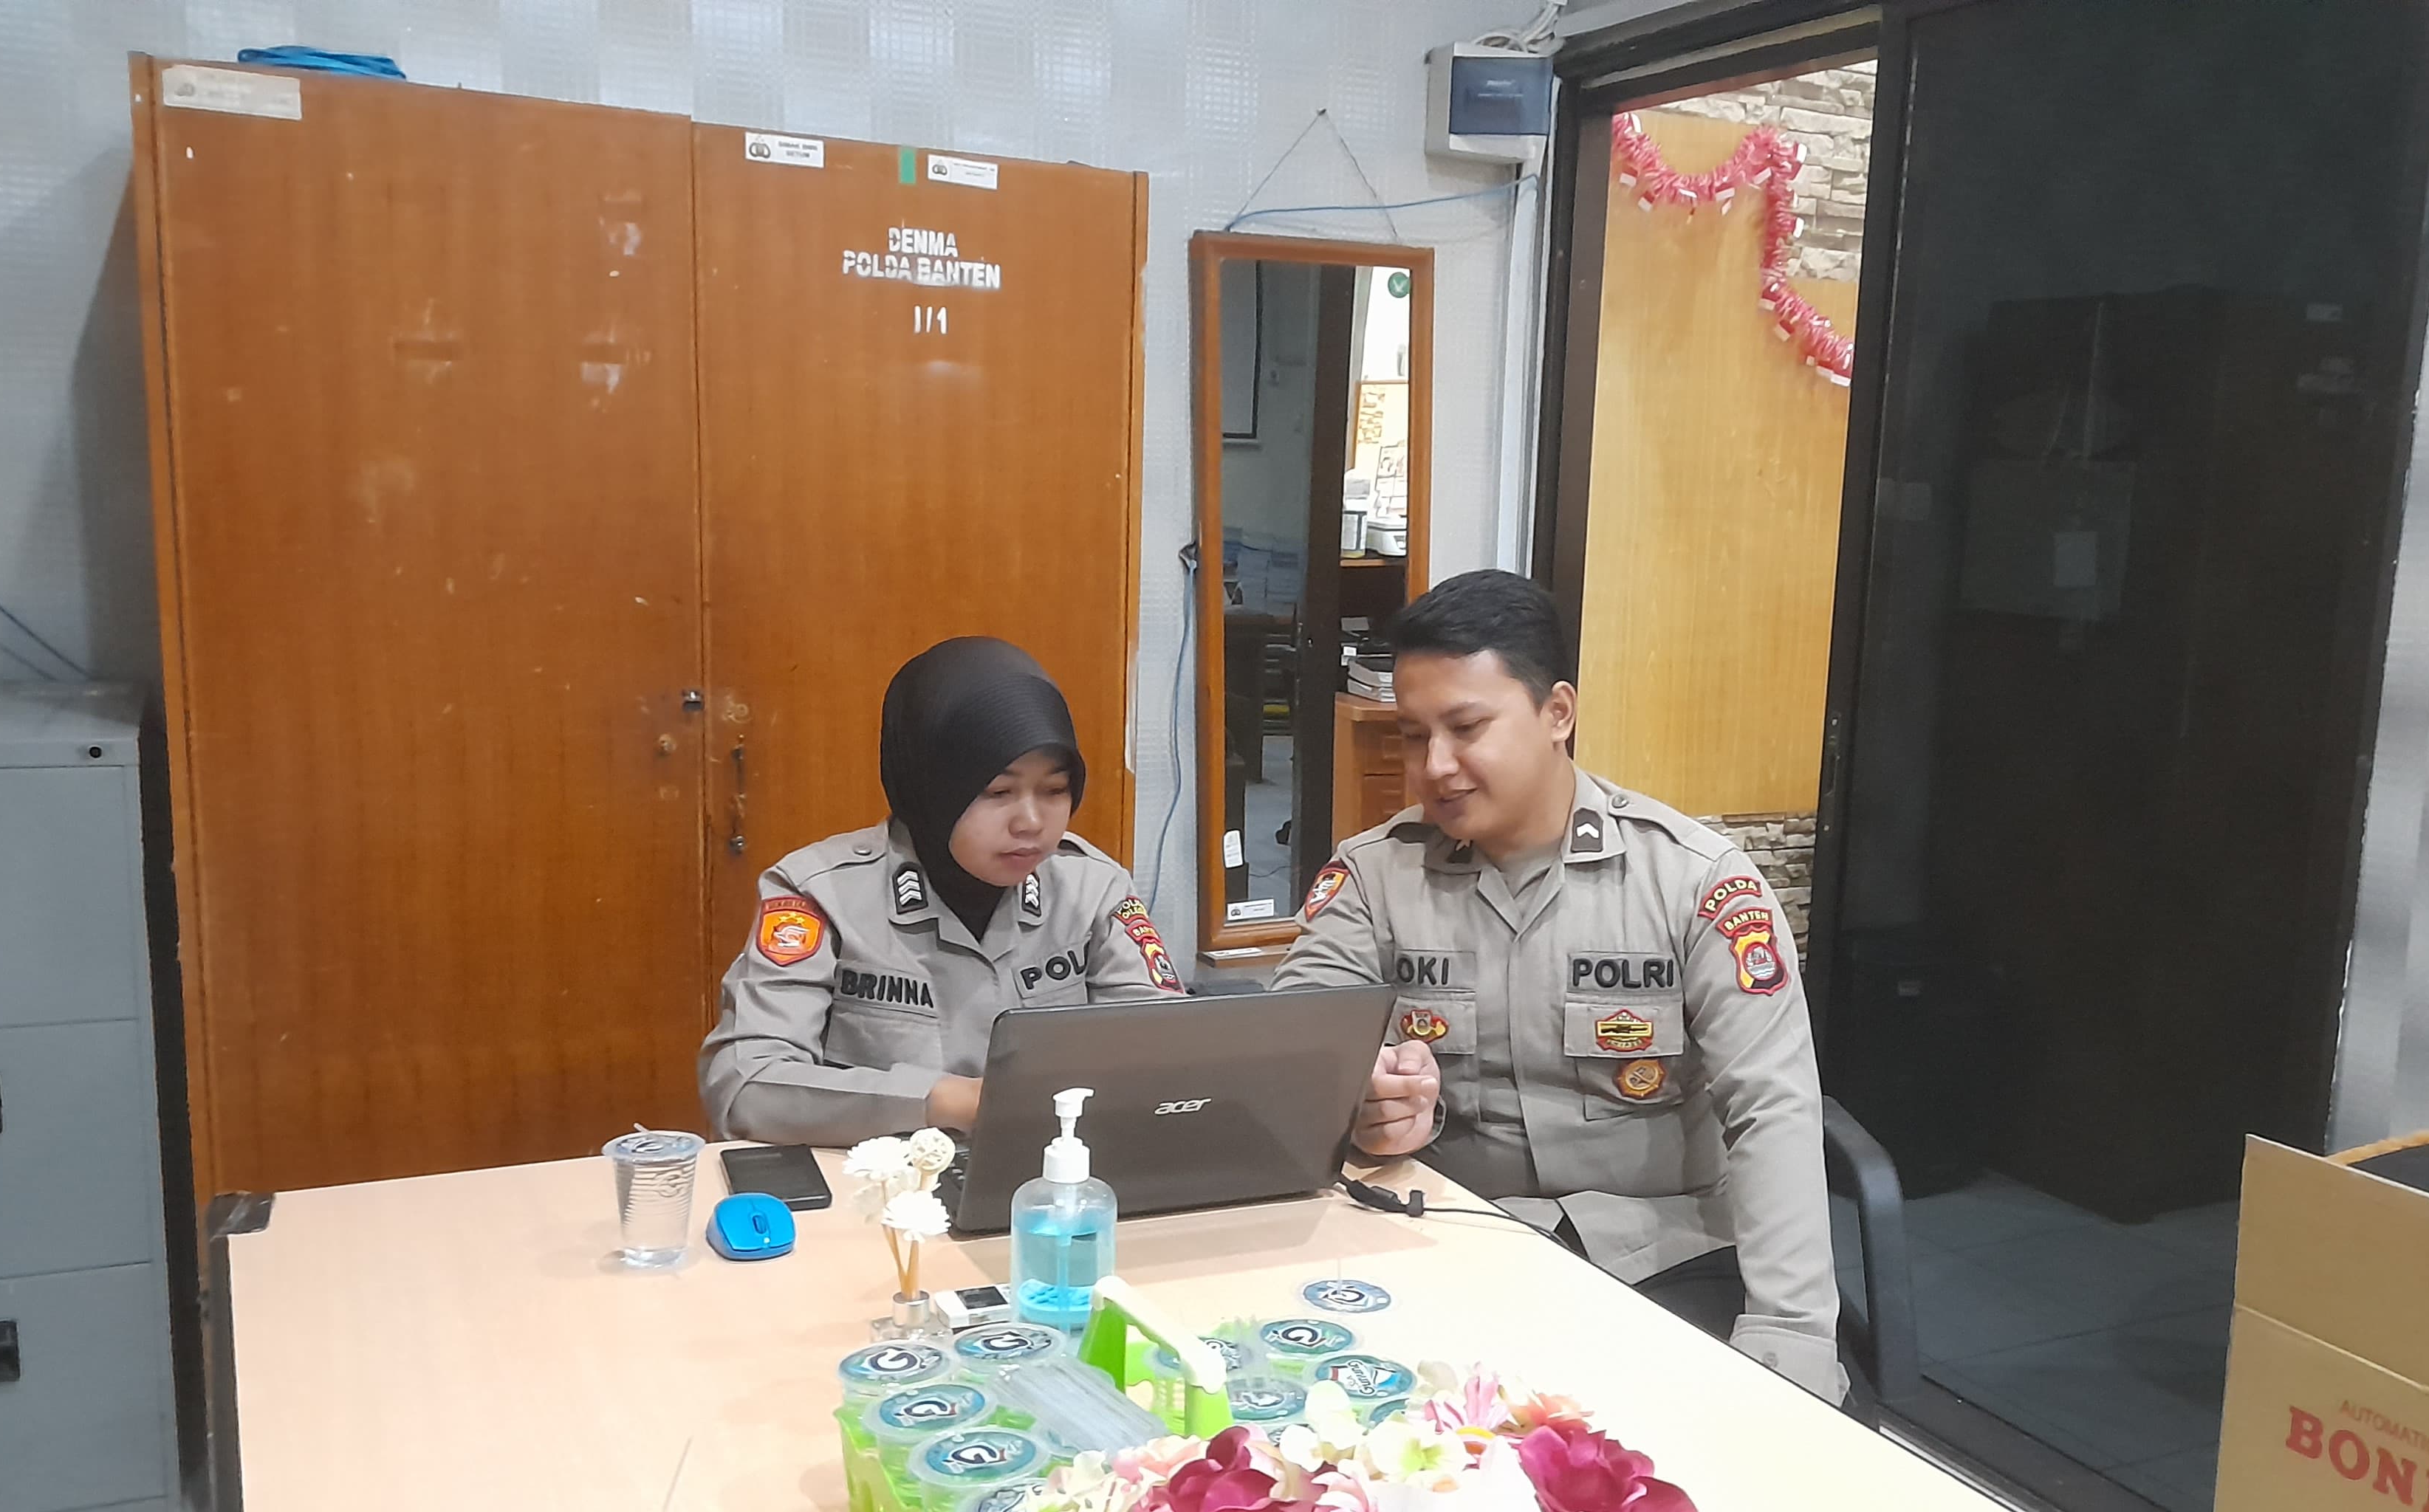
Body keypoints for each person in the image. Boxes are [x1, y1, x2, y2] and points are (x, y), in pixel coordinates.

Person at [1273, 572, 1845, 1401]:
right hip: (1445, 1241)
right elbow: (1293, 1059)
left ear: (1558, 714)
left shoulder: (1694, 882)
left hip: (1663, 1256)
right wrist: (1363, 1104)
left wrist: (1790, 1336)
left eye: (1466, 728)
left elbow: (1773, 1106)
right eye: (1412, 736)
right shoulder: (1372, 877)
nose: (1435, 767)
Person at [701, 638, 1183, 1144]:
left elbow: (1167, 1051)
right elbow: (746, 1086)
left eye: (1054, 790)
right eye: (998, 792)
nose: (1031, 822)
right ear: (931, 786)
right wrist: (945, 1102)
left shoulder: (1092, 887)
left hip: (1053, 1171)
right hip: (880, 1181)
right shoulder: (821, 893)